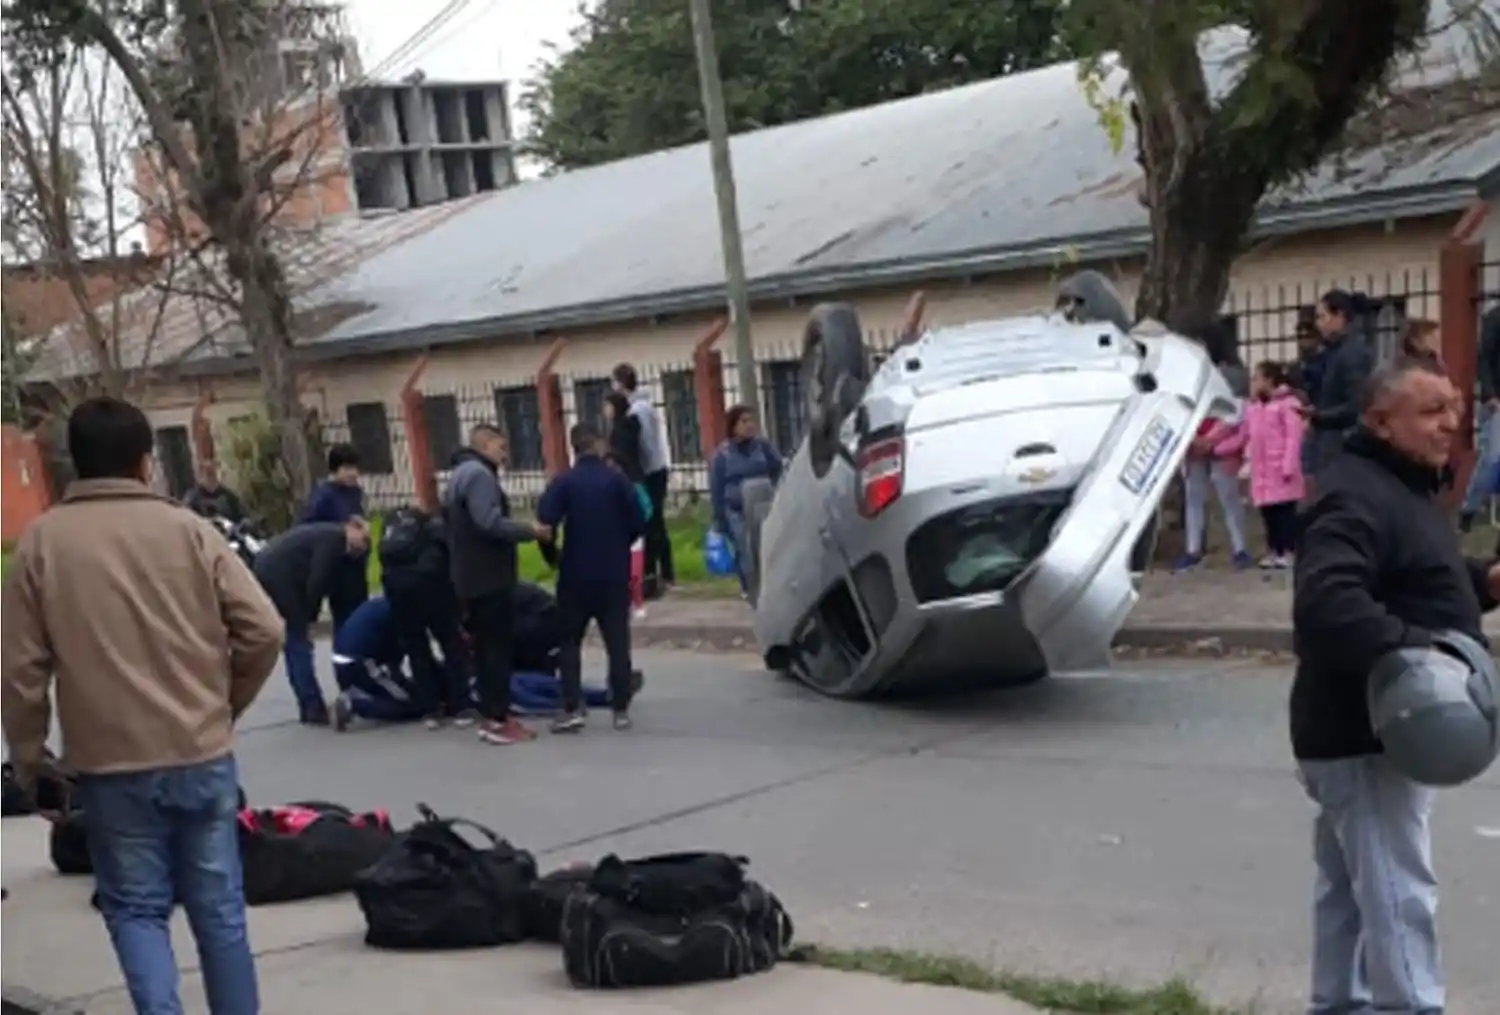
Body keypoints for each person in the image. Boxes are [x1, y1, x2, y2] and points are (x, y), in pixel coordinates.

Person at [1, 396, 283, 1015]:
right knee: (220, 912)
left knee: (135, 909)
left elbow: (20, 672)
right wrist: (223, 706)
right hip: (200, 753)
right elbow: (264, 630)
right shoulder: (190, 530)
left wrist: (30, 763)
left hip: (109, 768)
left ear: (73, 463)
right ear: (146, 463)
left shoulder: (44, 544)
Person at [1292, 357, 1500, 1015]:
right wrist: (1419, 657)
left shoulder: (1401, 487)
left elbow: (1416, 570)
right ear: (1381, 421)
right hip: (1369, 730)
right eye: (1431, 409)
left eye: (1455, 406)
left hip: (1364, 728)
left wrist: (1482, 582)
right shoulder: (1355, 492)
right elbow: (1329, 601)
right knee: (1395, 888)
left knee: (1349, 889)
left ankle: (1337, 1003)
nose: (1451, 423)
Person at [536, 422, 647, 733]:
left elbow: (544, 525)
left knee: (569, 641)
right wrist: (619, 547)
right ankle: (621, 707)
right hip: (612, 574)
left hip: (575, 574)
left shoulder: (564, 482)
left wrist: (554, 557)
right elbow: (638, 521)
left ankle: (572, 706)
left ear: (574, 447)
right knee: (617, 642)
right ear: (598, 445)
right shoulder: (617, 480)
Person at [443, 424, 546, 745]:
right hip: (488, 577)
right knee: (495, 649)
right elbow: (488, 522)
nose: (505, 455)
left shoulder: (459, 474)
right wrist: (529, 531)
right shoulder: (479, 476)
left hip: (469, 576)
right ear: (485, 445)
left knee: (486, 648)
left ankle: (495, 714)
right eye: (501, 448)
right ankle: (496, 718)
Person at [252, 517, 370, 726]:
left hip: (271, 568)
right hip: (279, 576)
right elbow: (318, 578)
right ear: (350, 528)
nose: (365, 543)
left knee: (296, 638)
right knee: (298, 639)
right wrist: (309, 617)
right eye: (364, 537)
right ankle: (311, 705)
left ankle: (309, 703)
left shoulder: (330, 538)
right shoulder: (335, 538)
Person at [378, 505, 474, 729]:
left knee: (416, 650)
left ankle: (430, 710)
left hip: (398, 591)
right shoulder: (434, 527)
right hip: (431, 588)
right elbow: (451, 560)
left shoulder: (390, 526)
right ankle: (461, 706)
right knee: (451, 644)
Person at [1298, 289, 1375, 480]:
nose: (1318, 324)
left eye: (1322, 317)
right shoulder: (1333, 352)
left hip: (1341, 448)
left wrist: (1318, 416)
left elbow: (1356, 405)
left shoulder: (1352, 353)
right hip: (1330, 446)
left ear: (1339, 316)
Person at [611, 363, 674, 596]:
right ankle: (662, 573)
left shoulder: (637, 410)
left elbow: (645, 444)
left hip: (650, 471)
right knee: (655, 522)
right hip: (653, 469)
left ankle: (661, 573)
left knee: (653, 523)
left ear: (619, 383)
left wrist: (641, 473)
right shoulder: (640, 406)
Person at [709, 405, 785, 595]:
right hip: (737, 511)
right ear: (733, 426)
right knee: (746, 551)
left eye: (751, 420)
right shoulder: (722, 455)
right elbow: (717, 489)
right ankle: (751, 589)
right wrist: (720, 520)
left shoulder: (763, 447)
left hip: (764, 507)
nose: (749, 425)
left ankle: (771, 590)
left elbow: (778, 469)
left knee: (768, 550)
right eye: (744, 421)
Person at [298, 443, 368, 632]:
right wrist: (341, 529)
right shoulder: (323, 496)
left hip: (357, 559)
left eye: (355, 468)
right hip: (338, 564)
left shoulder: (355, 493)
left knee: (361, 612)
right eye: (347, 468)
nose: (353, 473)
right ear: (335, 470)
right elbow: (306, 526)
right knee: (346, 616)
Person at [1243, 361, 1306, 569]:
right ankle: (1274, 549)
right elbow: (1247, 435)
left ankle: (1288, 550)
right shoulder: (1254, 408)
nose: (1253, 382)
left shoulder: (1288, 404)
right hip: (1262, 469)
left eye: (1257, 378)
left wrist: (1289, 464)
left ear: (1269, 380)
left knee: (1284, 512)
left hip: (1280, 467)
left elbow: (1293, 436)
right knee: (1268, 513)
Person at [330, 597, 425, 731]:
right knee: (410, 704)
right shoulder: (399, 613)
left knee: (398, 689)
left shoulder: (380, 604)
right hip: (359, 662)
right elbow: (397, 654)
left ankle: (358, 694)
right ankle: (352, 704)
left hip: (342, 659)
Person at [1459, 304, 1500, 532]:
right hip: (1497, 401)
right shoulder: (1495, 318)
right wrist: (1490, 394)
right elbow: (1483, 359)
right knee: (1493, 458)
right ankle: (1469, 509)